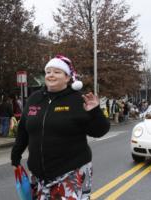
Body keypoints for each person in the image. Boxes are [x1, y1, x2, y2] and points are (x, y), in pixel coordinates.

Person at [11, 55, 110, 200]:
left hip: (70, 172)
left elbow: (99, 131)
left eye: (57, 72)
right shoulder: (35, 98)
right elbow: (23, 131)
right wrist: (15, 156)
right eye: (48, 71)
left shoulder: (78, 100)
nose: (51, 75)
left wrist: (95, 111)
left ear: (68, 78)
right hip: (38, 174)